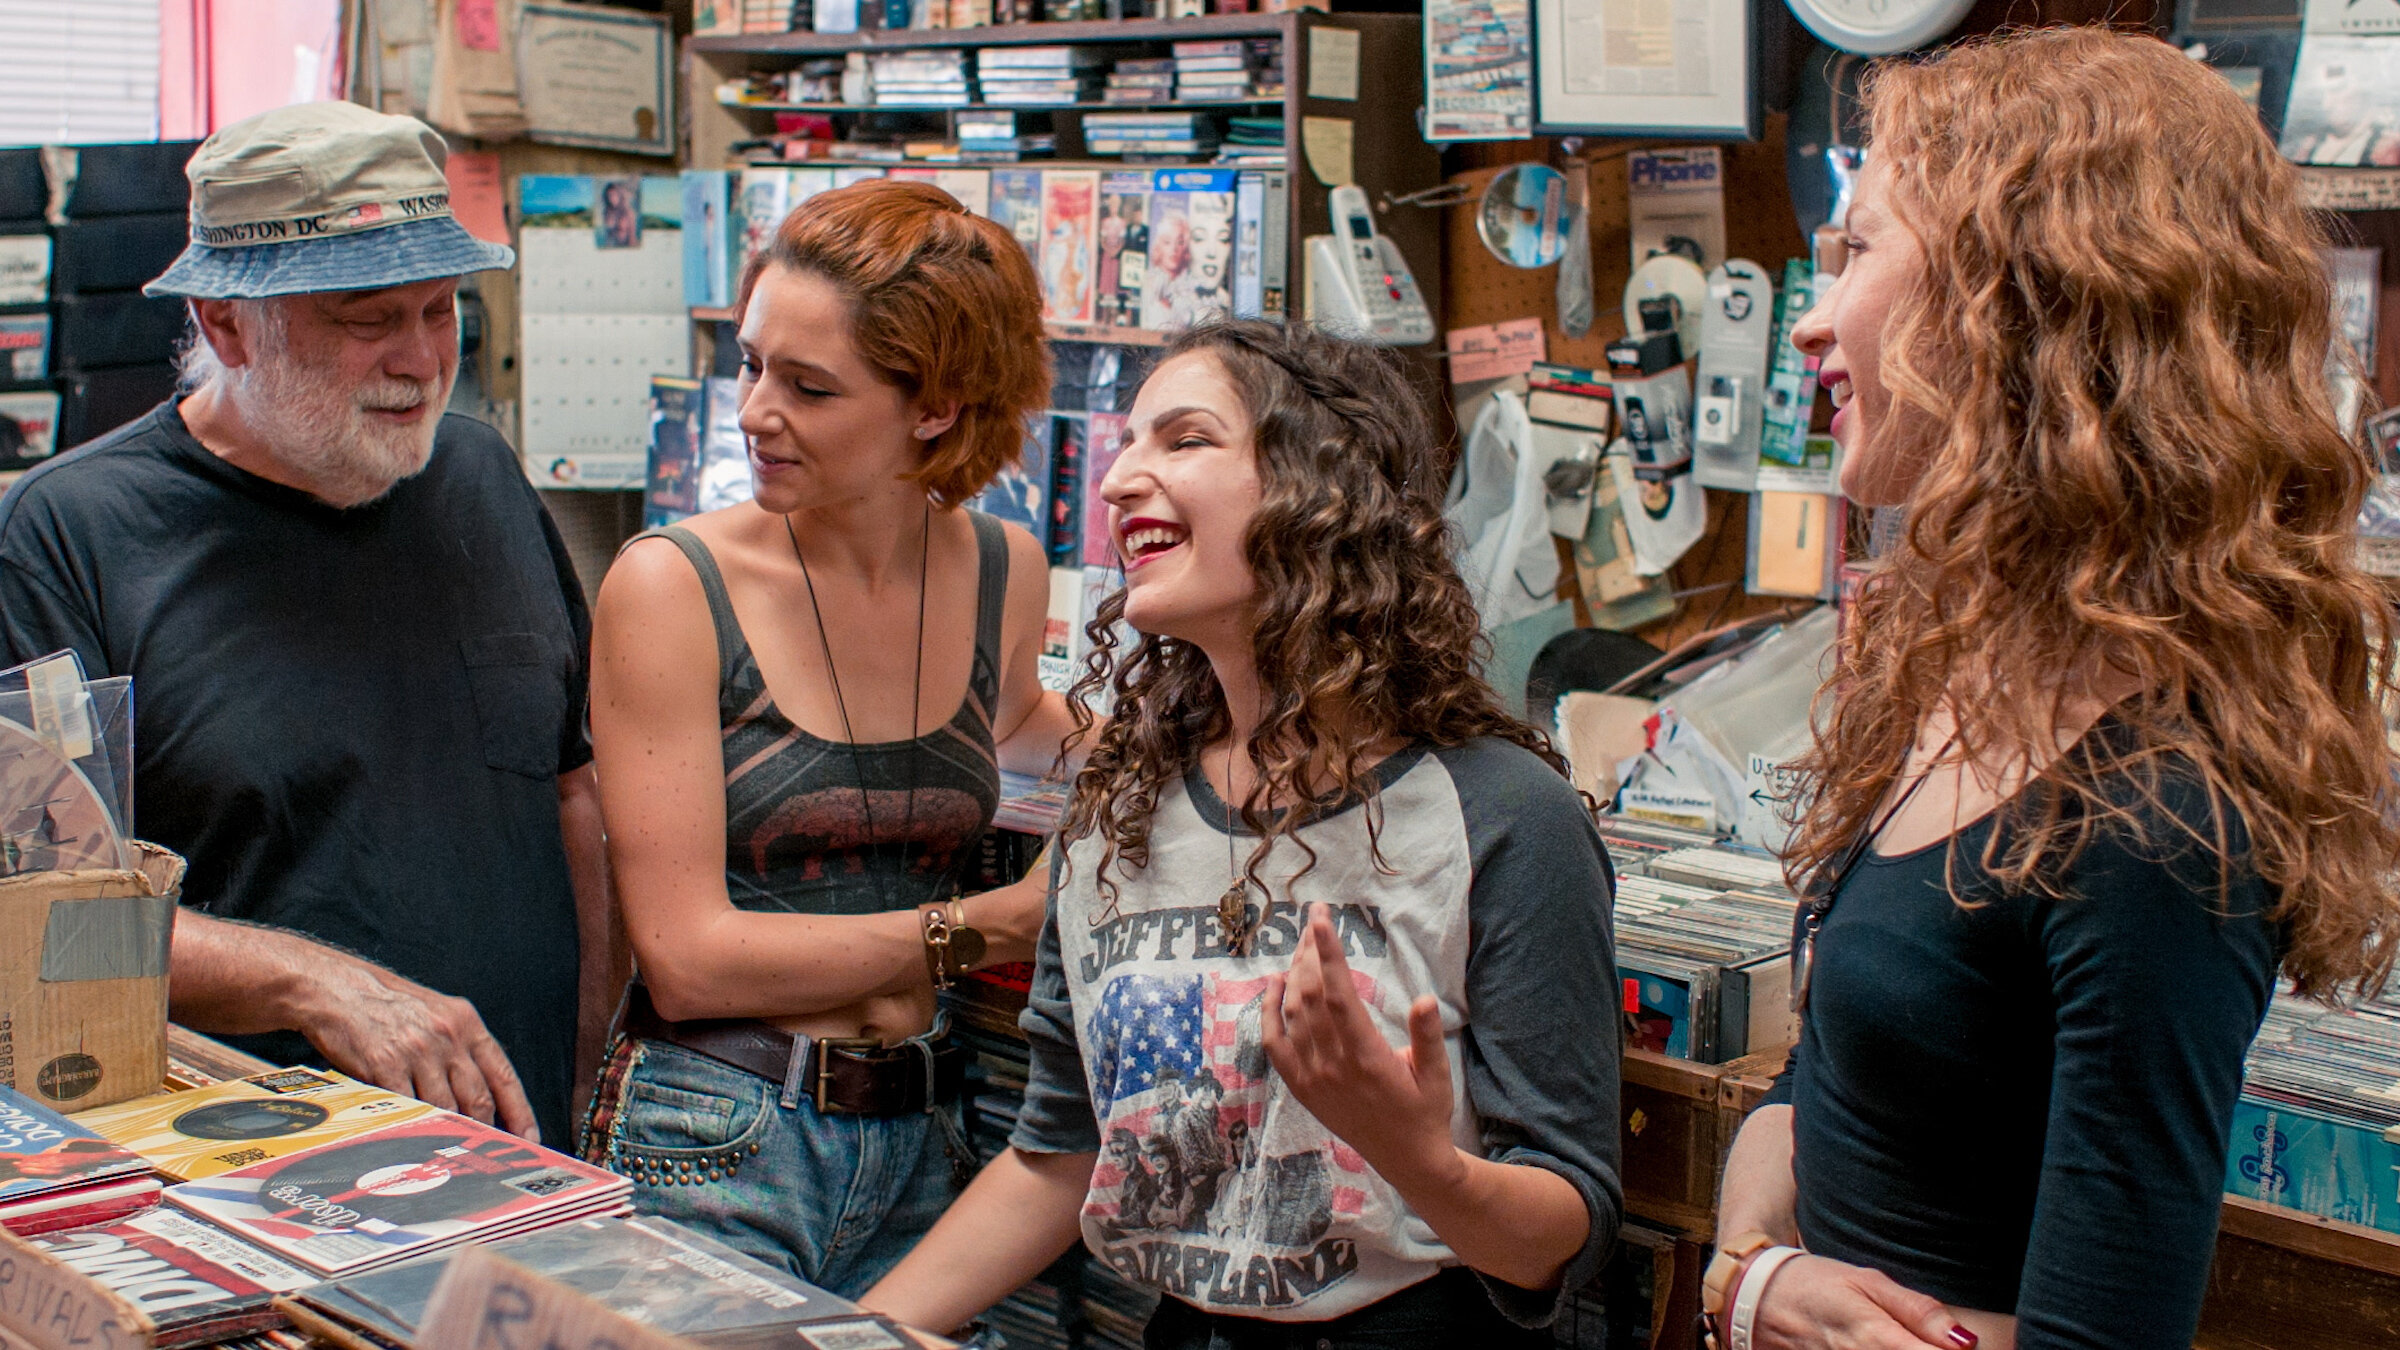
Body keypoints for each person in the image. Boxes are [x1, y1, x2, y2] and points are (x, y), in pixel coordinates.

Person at [1704, 29, 2400, 1350]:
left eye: (1855, 253)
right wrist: (1748, 1279)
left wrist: (1766, 1286)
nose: (1810, 310)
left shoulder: (2157, 816)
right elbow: (1816, 1085)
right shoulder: (1950, 668)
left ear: (2019, 303)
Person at [862, 320, 1624, 1347]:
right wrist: (850, 1334)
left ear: (1323, 488)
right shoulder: (1117, 807)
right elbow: (1057, 1153)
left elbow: (1562, 1239)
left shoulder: (1504, 815)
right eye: (1126, 443)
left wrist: (1419, 1158)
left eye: (1182, 440)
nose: (1119, 478)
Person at [0, 102, 612, 1146]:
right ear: (228, 322)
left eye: (441, 309)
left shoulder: (482, 478)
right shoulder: (66, 537)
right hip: (254, 1180)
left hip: (527, 1161)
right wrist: (311, 982)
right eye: (371, 319)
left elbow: (571, 790)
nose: (421, 359)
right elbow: (41, 916)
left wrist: (597, 1056)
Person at [582, 179, 1075, 1294]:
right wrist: (989, 929)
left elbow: (1017, 728)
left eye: (808, 386)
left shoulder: (1000, 567)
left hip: (931, 1131)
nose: (755, 411)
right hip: (716, 1133)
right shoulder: (672, 587)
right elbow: (691, 959)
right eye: (751, 364)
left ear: (937, 406)